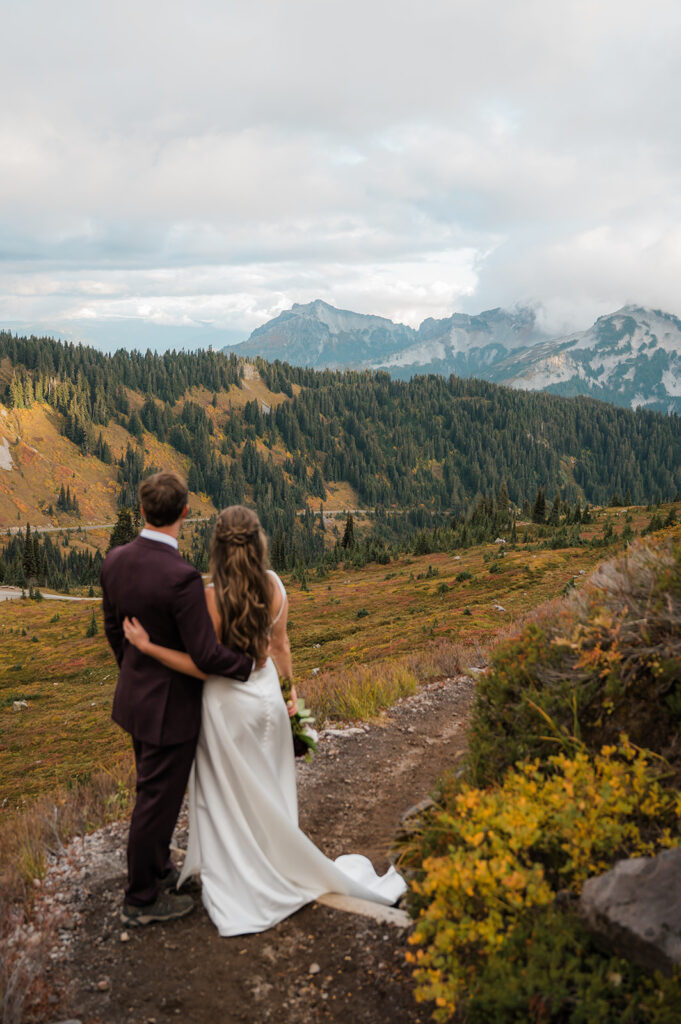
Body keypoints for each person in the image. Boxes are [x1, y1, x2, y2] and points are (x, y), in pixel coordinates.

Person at [122, 504, 405, 936]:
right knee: (270, 785)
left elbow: (205, 665)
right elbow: (280, 646)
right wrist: (290, 695)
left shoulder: (208, 598)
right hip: (266, 701)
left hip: (223, 706)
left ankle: (235, 867)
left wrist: (148, 647)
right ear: (259, 545)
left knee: (226, 792)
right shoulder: (274, 587)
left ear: (217, 548)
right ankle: (277, 857)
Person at [100, 472, 255, 927]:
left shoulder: (115, 560)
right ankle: (141, 897)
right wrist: (247, 666)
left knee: (151, 790)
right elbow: (205, 653)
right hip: (170, 708)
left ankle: (160, 868)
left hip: (135, 698)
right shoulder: (181, 577)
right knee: (156, 800)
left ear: (142, 510)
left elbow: (115, 632)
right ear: (185, 512)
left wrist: (134, 672)